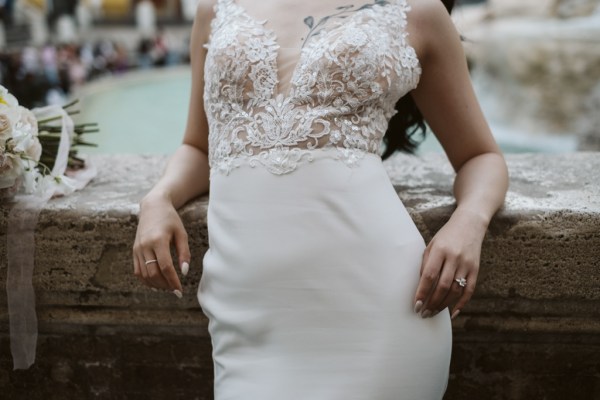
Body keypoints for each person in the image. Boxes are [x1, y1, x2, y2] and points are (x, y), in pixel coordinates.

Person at [132, 0, 509, 398]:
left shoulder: (418, 11)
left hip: (379, 308)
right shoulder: (215, 9)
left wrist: (469, 222)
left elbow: (481, 156)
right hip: (246, 318)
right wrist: (158, 198)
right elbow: (200, 146)